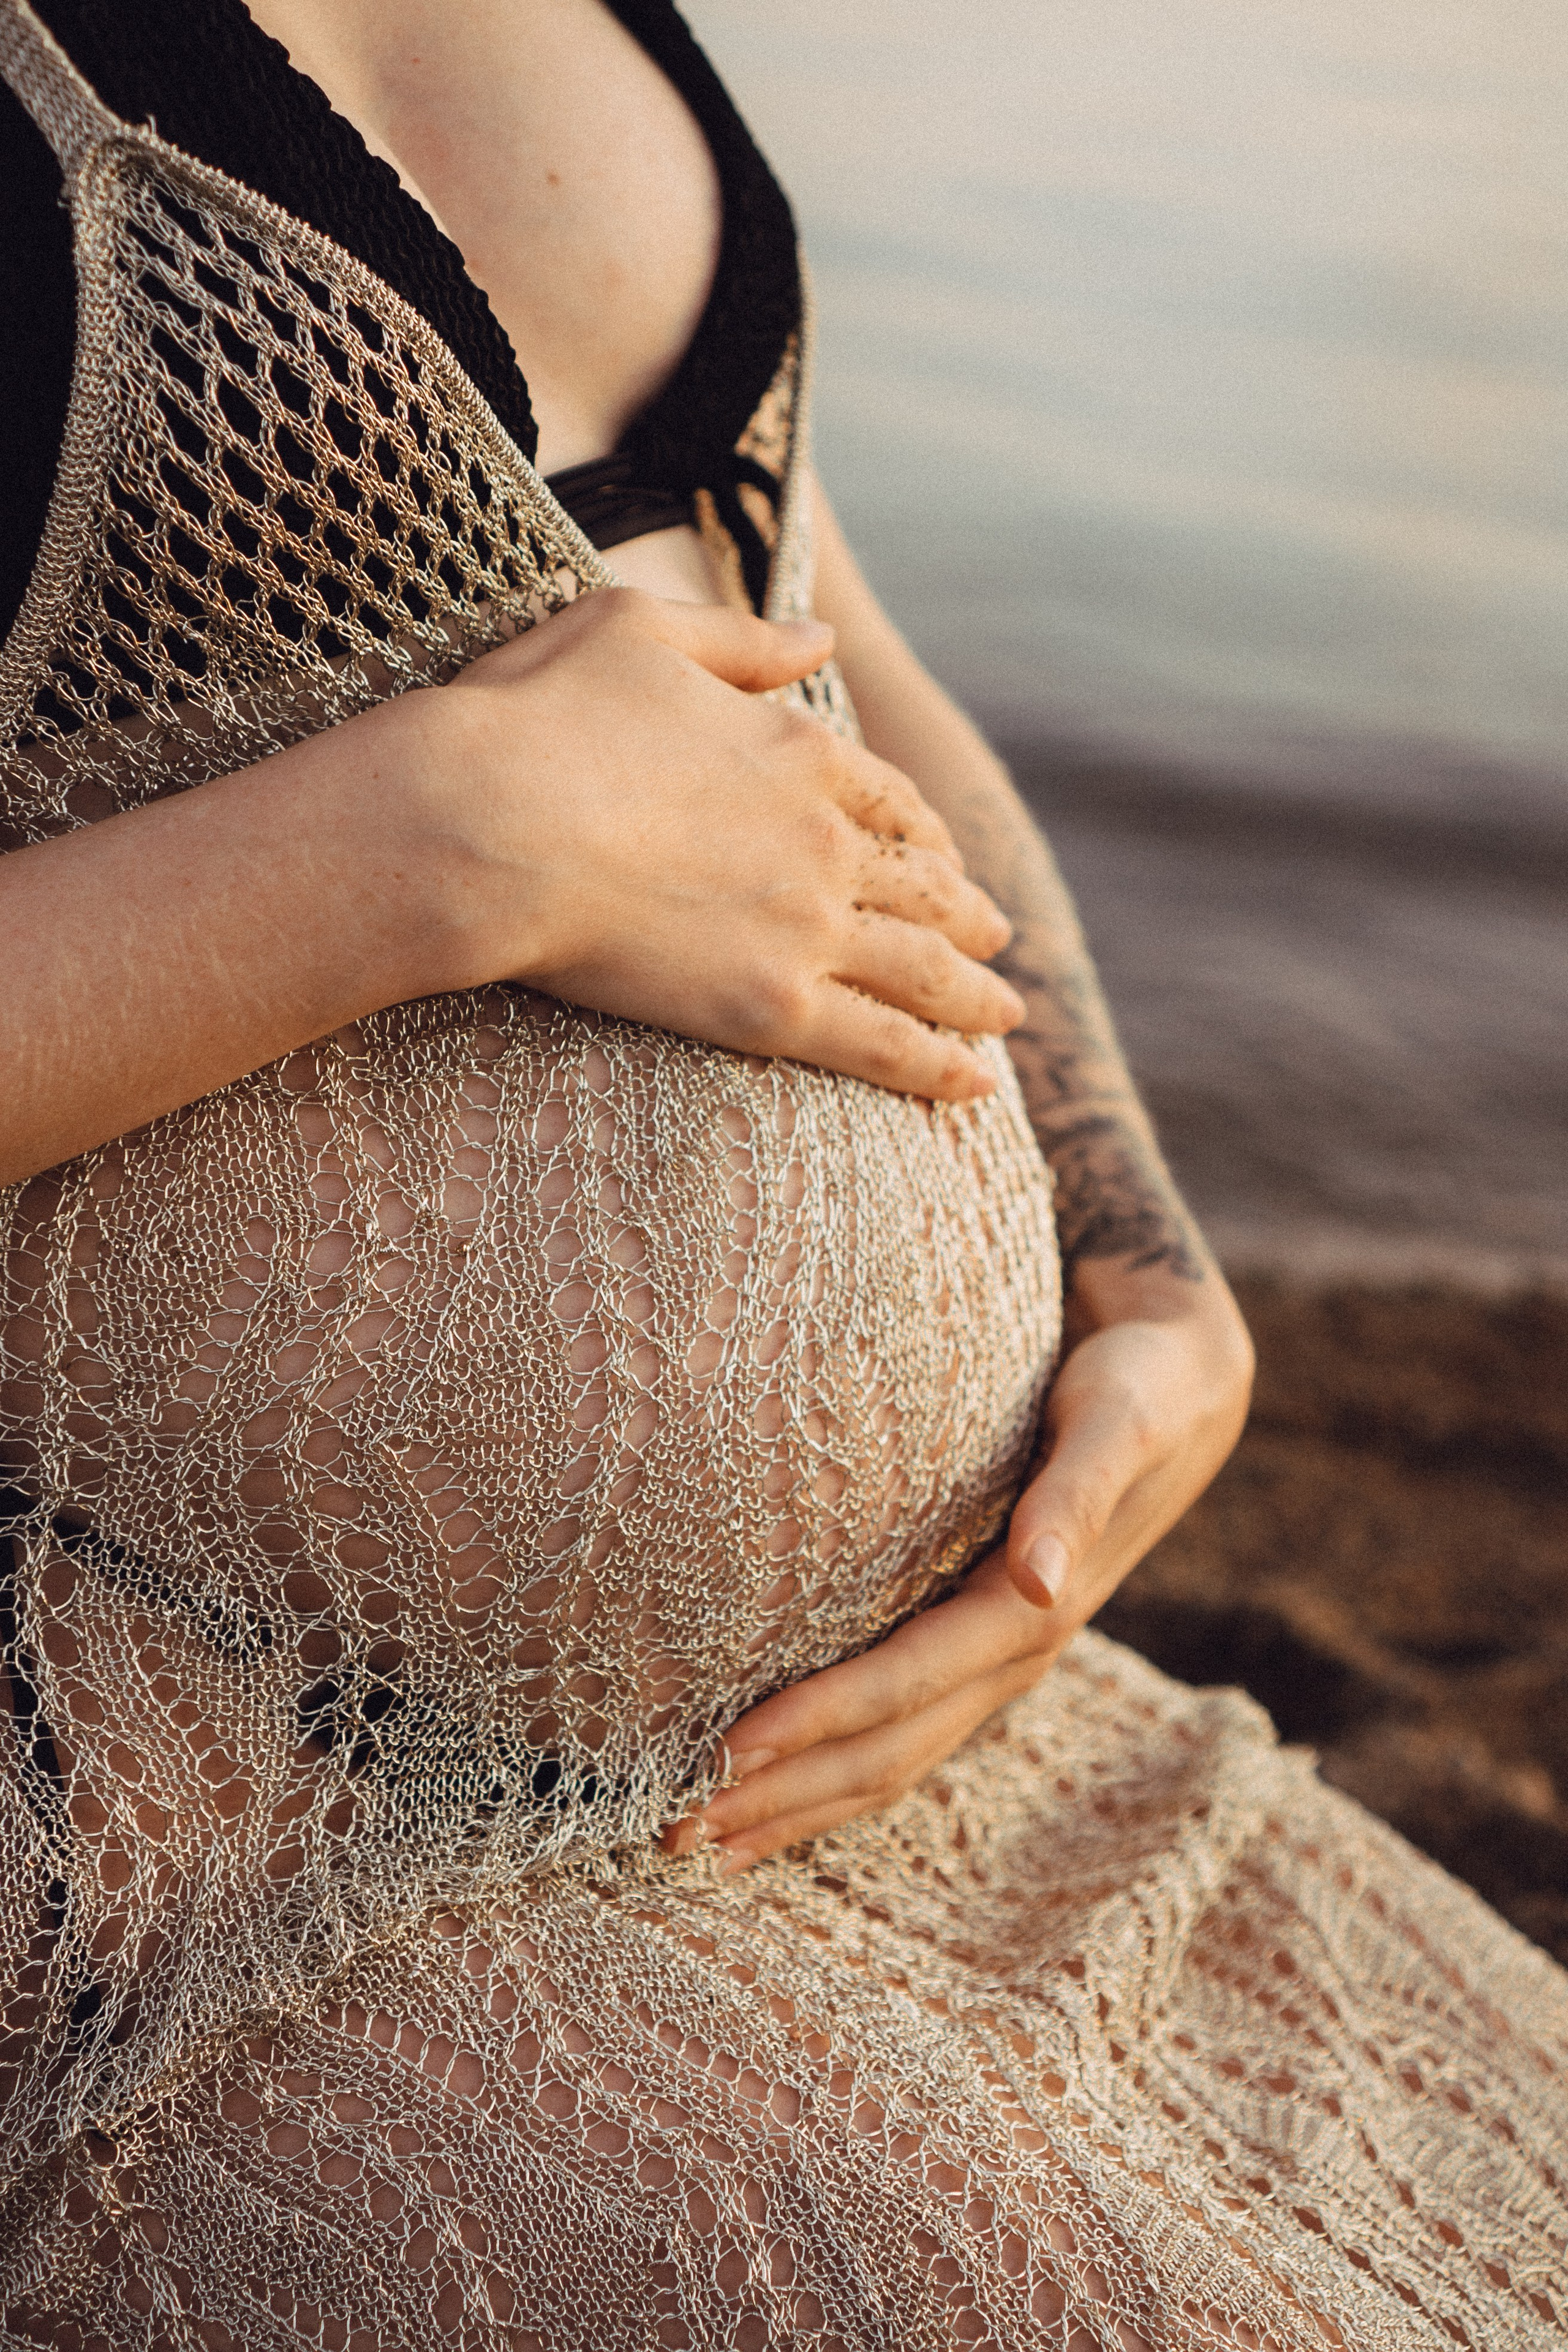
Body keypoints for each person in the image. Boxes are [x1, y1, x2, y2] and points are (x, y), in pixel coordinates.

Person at [0, 1, 1562, 2345]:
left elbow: (811, 609)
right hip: (197, 1808)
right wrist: (432, 849)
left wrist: (1143, 1262)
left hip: (898, 1752)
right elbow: (525, 802)